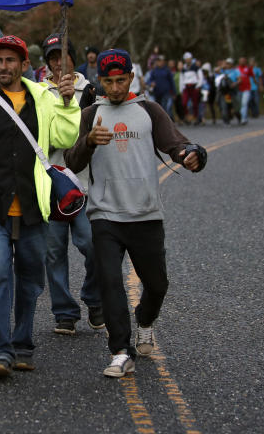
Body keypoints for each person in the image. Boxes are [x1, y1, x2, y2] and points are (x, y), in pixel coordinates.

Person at [64, 48, 205, 378]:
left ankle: (145, 319)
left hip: (145, 213)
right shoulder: (90, 114)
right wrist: (88, 142)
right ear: (100, 81)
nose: (114, 88)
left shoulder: (148, 110)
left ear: (131, 78)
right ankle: (120, 351)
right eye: (108, 81)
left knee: (157, 284)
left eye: (121, 80)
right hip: (104, 215)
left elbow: (177, 145)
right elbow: (72, 162)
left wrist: (192, 155)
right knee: (110, 283)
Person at [0, 35, 80, 379]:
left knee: (31, 280)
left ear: (23, 64)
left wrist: (68, 103)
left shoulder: (44, 100)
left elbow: (64, 139)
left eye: (10, 60)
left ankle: (22, 345)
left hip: (34, 207)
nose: (3, 67)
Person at [38, 33, 103, 335]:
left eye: (61, 56)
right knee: (53, 251)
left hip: (84, 183)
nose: (56, 63)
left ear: (73, 59)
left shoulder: (90, 91)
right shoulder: (38, 92)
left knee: (91, 244)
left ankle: (93, 298)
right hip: (50, 181)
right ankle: (64, 312)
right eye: (51, 58)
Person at [179, 52, 203, 125]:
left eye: (189, 59)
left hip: (194, 86)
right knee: (184, 103)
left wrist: (198, 86)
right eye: (186, 59)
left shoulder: (196, 67)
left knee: (195, 103)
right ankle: (187, 117)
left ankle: (196, 117)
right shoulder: (183, 69)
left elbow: (200, 77)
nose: (188, 60)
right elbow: (181, 79)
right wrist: (181, 89)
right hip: (186, 87)